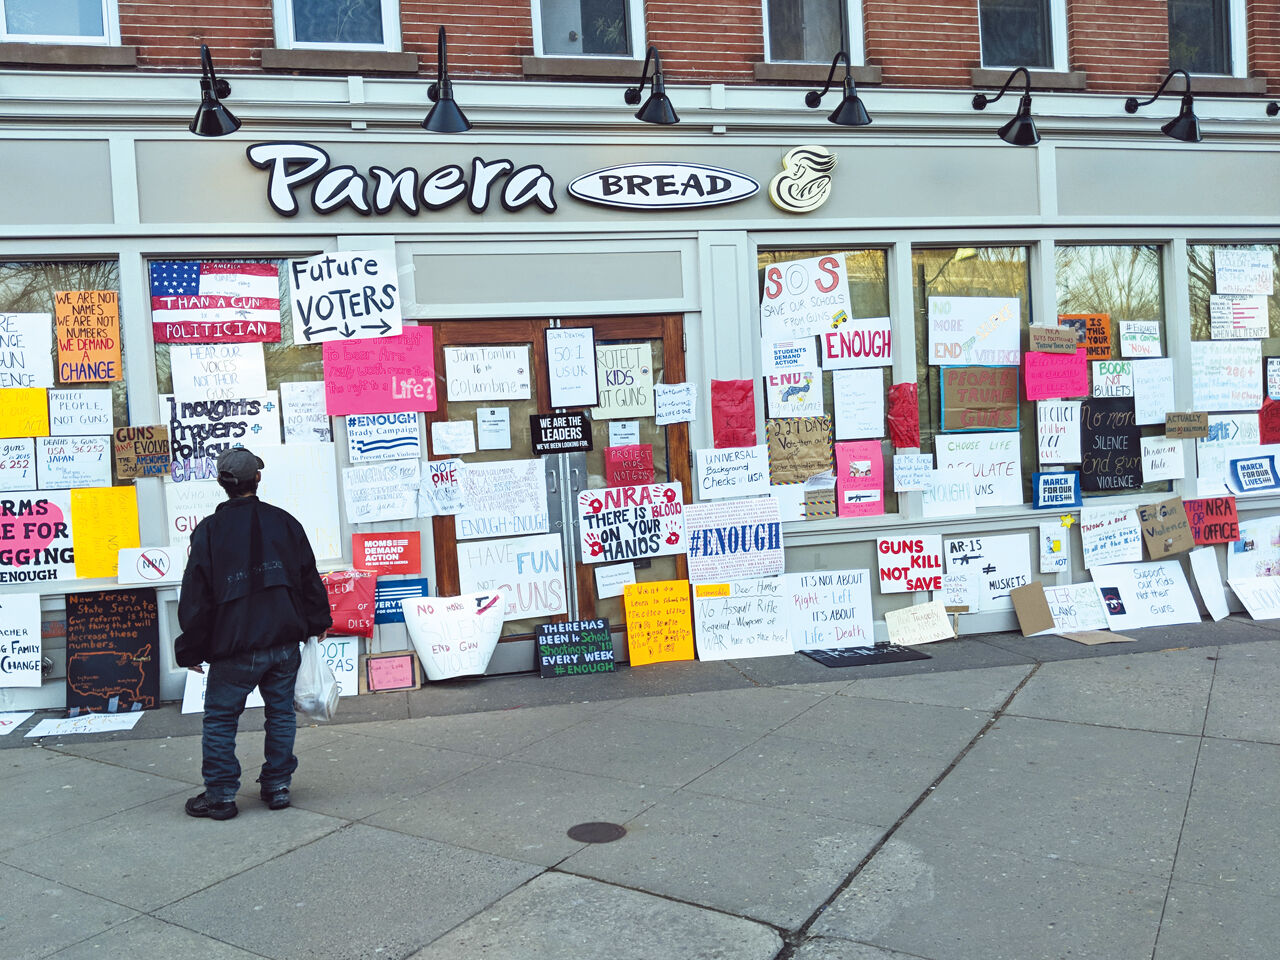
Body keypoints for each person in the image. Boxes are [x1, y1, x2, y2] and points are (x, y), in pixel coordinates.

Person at [175, 447, 332, 821]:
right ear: (257, 479)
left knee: (220, 719)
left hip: (235, 646)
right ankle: (277, 787)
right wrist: (317, 623)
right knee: (281, 714)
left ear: (221, 483)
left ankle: (221, 797)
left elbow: (196, 596)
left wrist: (191, 648)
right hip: (282, 641)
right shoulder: (285, 523)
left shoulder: (209, 531)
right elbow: (308, 578)